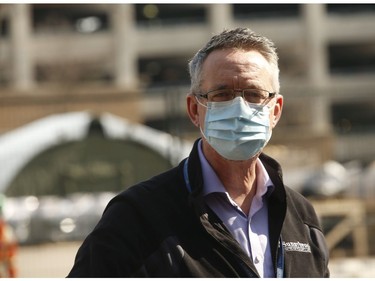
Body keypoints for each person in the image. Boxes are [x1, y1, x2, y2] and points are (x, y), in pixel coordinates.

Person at [68, 27, 330, 278]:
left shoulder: (301, 217)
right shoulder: (138, 217)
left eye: (253, 94)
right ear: (195, 109)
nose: (239, 108)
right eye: (222, 93)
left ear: (275, 110)